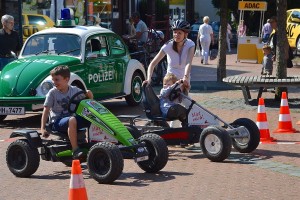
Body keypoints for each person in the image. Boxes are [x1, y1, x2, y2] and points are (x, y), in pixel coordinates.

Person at [41, 65, 93, 159]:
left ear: (66, 79)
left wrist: (89, 94)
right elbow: (46, 110)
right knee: (72, 119)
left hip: (71, 119)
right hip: (57, 122)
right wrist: (43, 128)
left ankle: (96, 143)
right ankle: (75, 150)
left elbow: (88, 101)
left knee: (92, 117)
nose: (54, 82)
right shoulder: (52, 93)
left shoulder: (75, 90)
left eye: (57, 80)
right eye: (53, 80)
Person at [144, 20, 195, 92]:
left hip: (184, 78)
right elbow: (153, 64)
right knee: (168, 101)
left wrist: (186, 77)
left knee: (185, 100)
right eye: (175, 32)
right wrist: (149, 79)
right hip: (170, 80)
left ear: (186, 34)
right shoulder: (168, 45)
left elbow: (188, 62)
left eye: (179, 33)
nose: (176, 35)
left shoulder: (190, 44)